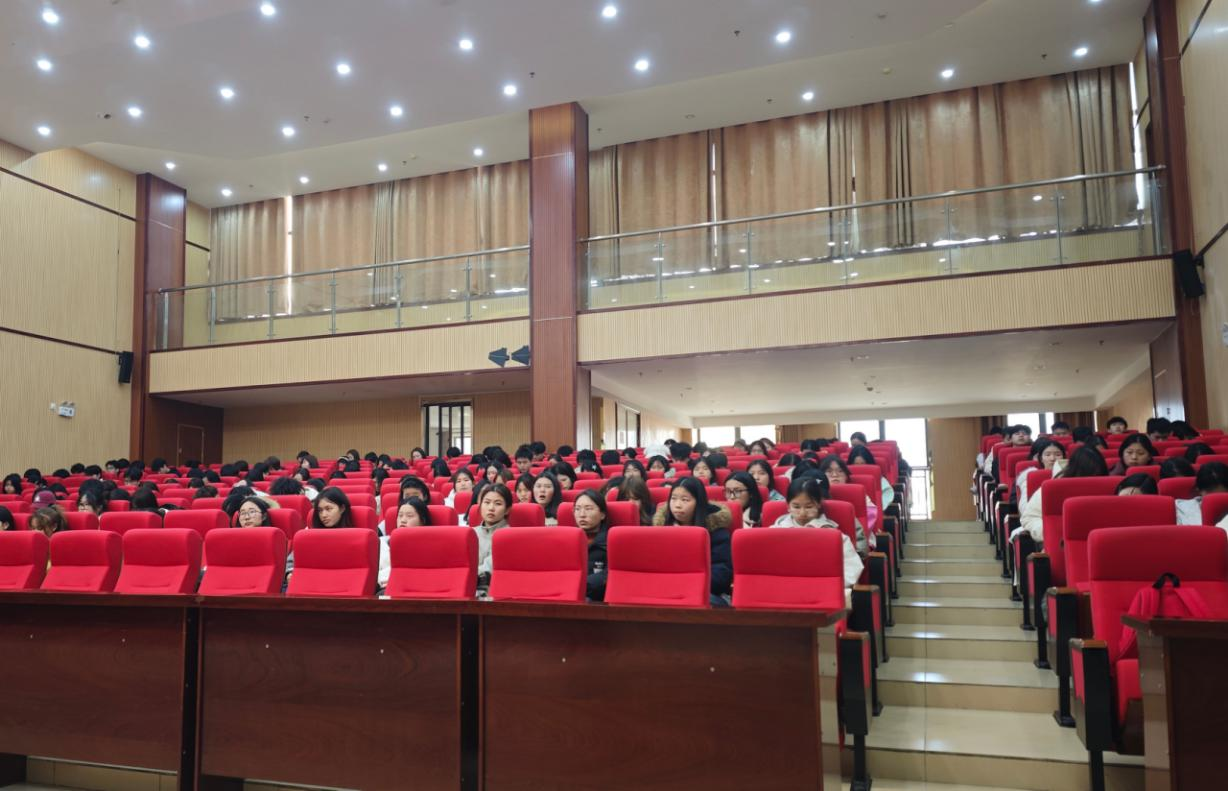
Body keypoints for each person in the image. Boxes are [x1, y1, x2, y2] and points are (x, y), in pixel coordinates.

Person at [770, 477, 863, 589]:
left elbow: (852, 569)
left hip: (824, 589)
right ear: (788, 506)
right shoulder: (773, 532)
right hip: (783, 587)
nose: (802, 513)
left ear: (818, 504)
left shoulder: (834, 536)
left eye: (809, 507)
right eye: (796, 507)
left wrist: (830, 586)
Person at [652, 477, 732, 605]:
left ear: (698, 503)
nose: (677, 505)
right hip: (666, 589)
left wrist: (684, 583)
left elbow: (721, 575)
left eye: (685, 500)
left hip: (704, 591)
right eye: (673, 498)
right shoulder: (659, 530)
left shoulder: (717, 533)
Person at [1014, 447, 1109, 545]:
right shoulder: (1054, 488)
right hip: (1059, 544)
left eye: (1098, 475)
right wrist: (1052, 533)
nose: (1094, 479)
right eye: (1090, 474)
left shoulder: (1109, 486)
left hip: (1102, 542)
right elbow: (1029, 517)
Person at [816, 456, 870, 551]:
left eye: (840, 471)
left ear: (846, 476)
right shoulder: (814, 499)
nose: (835, 475)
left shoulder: (857, 493)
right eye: (829, 471)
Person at [572, 490, 609, 602]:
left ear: (602, 514)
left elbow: (609, 574)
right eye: (577, 509)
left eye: (588, 509)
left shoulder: (611, 541)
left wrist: (578, 586)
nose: (582, 514)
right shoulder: (565, 539)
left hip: (598, 599)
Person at [473, 483, 512, 583]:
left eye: (498, 504)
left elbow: (488, 568)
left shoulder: (509, 536)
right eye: (487, 502)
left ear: (507, 509)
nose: (491, 508)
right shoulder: (471, 533)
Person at [1016, 439, 1066, 504]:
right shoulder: (1031, 477)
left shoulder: (1069, 475)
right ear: (1041, 458)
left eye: (1058, 455)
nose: (1052, 458)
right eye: (1047, 455)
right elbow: (1025, 506)